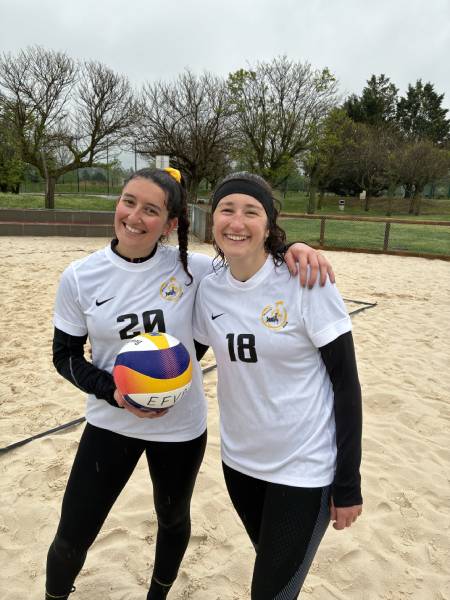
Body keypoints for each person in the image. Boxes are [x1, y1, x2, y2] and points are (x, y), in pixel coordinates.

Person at [45, 167, 336, 600]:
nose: (134, 217)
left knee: (173, 518)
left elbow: (248, 252)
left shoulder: (195, 270)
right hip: (111, 422)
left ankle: (157, 596)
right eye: (128, 202)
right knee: (73, 532)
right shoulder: (81, 276)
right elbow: (64, 356)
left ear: (170, 224)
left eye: (151, 210)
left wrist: (294, 247)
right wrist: (114, 392)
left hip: (180, 428)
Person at [193, 172, 363, 600]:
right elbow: (182, 358)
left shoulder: (306, 282)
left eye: (251, 212)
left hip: (304, 469)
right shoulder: (210, 290)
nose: (237, 222)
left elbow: (346, 384)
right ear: (212, 220)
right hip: (240, 465)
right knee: (272, 569)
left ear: (269, 225)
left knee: (270, 592)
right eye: (227, 210)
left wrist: (348, 482)